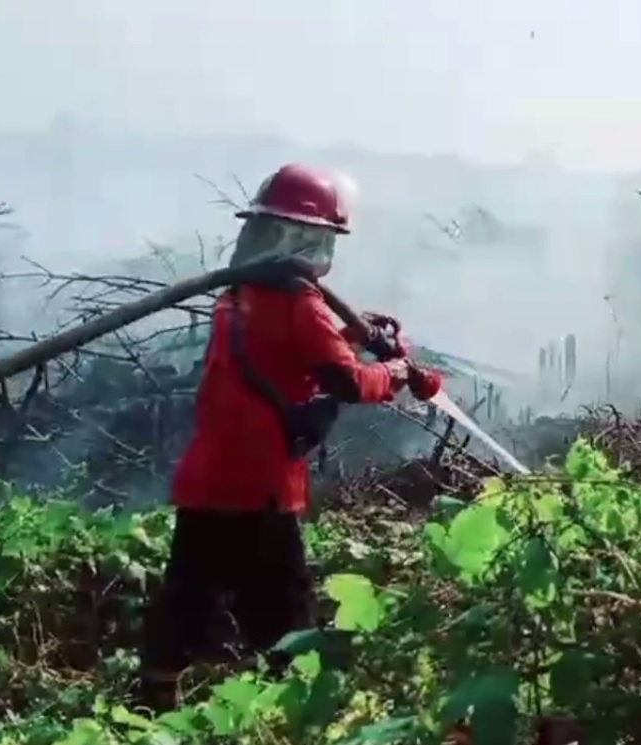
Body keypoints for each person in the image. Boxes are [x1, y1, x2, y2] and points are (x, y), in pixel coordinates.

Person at [135, 163, 443, 712]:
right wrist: (395, 375)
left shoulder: (237, 296)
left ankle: (154, 700)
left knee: (189, 592)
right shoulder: (300, 306)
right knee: (283, 606)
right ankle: (295, 710)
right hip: (262, 485)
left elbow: (292, 345)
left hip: (208, 477)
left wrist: (354, 328)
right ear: (314, 239)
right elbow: (345, 379)